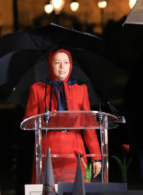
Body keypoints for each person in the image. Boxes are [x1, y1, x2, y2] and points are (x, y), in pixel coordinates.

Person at [23, 49, 102, 183]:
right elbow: (28, 123)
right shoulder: (37, 89)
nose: (62, 66)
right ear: (50, 65)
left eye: (66, 62)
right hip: (48, 153)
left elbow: (88, 126)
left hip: (75, 153)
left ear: (71, 66)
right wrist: (44, 119)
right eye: (57, 62)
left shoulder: (80, 89)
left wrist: (96, 157)